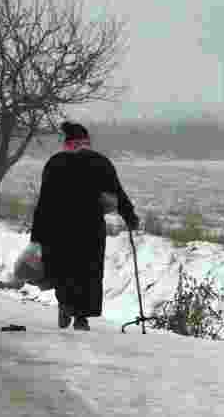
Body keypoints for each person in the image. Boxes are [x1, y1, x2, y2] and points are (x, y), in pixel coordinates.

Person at [30, 122, 139, 331]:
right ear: (86, 140)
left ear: (66, 141)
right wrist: (129, 216)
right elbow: (117, 192)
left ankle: (65, 304)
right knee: (88, 271)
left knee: (64, 268)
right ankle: (81, 317)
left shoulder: (56, 162)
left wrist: (37, 235)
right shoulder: (100, 162)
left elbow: (44, 202)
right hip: (90, 227)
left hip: (59, 228)